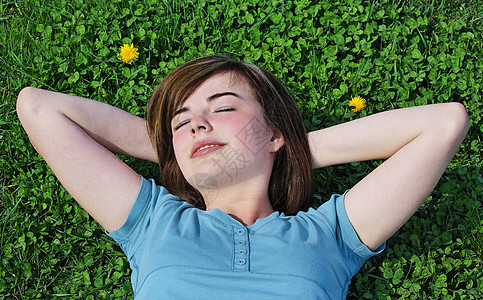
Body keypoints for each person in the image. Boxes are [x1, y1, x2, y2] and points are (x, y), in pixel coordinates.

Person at [16, 55, 469, 299]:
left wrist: (288, 145)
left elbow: (445, 123)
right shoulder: (152, 223)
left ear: (275, 130)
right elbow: (39, 107)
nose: (196, 125)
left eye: (224, 107)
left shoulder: (328, 235)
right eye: (181, 121)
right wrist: (181, 152)